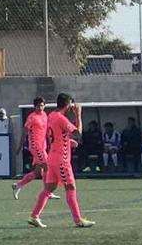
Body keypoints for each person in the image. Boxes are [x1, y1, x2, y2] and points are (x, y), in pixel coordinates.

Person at [27, 93, 94, 228]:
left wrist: (68, 142)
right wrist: (78, 114)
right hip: (61, 160)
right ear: (68, 104)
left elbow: (56, 136)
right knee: (70, 187)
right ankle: (78, 219)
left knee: (49, 188)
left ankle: (34, 216)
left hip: (52, 158)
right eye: (71, 105)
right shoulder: (61, 118)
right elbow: (78, 132)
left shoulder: (51, 115)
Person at [12, 97, 60, 200]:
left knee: (39, 172)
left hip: (42, 146)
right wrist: (20, 147)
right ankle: (48, 192)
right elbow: (25, 132)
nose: (40, 107)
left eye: (42, 105)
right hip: (35, 146)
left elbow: (47, 131)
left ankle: (17, 186)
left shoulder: (44, 115)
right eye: (38, 106)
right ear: (34, 106)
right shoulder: (31, 117)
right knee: (48, 166)